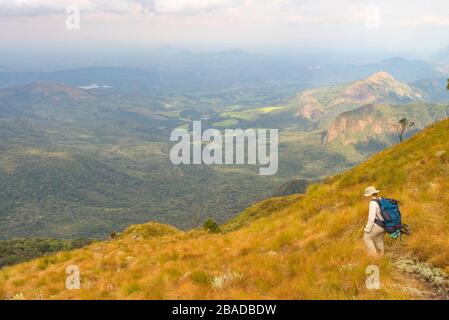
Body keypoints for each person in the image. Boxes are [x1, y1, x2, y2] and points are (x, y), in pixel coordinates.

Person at [363, 186, 386, 256]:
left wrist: (367, 229)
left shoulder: (372, 203)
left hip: (378, 226)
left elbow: (371, 218)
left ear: (370, 195)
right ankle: (381, 257)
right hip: (385, 225)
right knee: (378, 240)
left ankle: (374, 258)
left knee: (367, 238)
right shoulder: (381, 199)